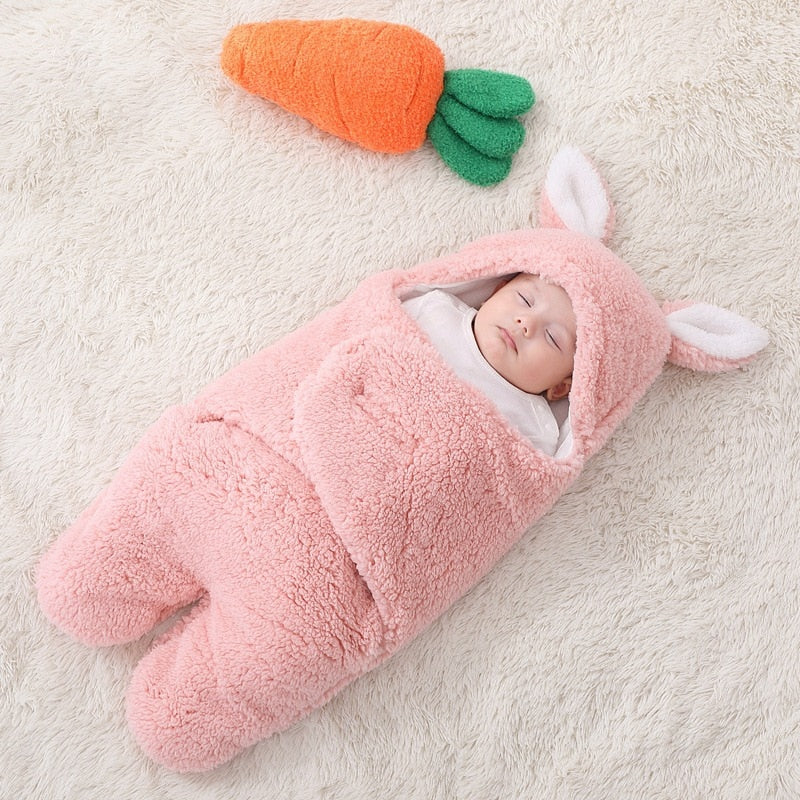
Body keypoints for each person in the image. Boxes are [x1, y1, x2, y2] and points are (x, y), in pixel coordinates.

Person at [402, 271, 576, 454]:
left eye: (551, 337)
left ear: (559, 388)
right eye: (525, 300)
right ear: (495, 293)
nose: (526, 322)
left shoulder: (535, 431)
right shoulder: (435, 310)